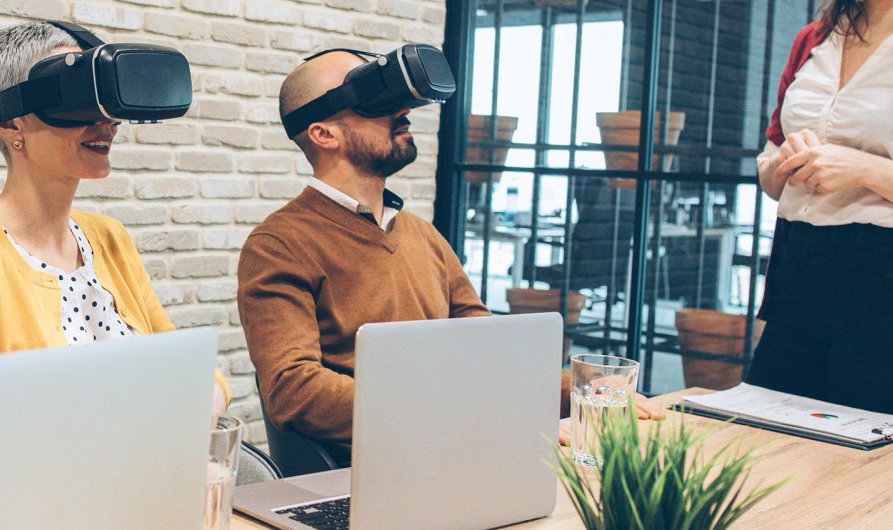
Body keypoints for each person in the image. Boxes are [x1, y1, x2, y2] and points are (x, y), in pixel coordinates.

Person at [238, 48, 660, 464]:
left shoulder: (424, 237)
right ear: (324, 134)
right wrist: (471, 414)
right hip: (379, 469)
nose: (403, 111)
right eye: (375, 103)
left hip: (462, 450)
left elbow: (484, 348)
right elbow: (295, 391)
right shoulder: (281, 243)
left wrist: (587, 390)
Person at [0, 21, 230, 414]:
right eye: (76, 100)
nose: (106, 125)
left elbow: (185, 366)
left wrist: (205, 401)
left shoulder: (109, 238)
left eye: (107, 106)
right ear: (10, 122)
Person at [749, 0, 893, 417]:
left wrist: (866, 169)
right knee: (765, 451)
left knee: (868, 485)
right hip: (798, 276)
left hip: (892, 294)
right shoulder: (814, 40)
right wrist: (783, 165)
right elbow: (769, 166)